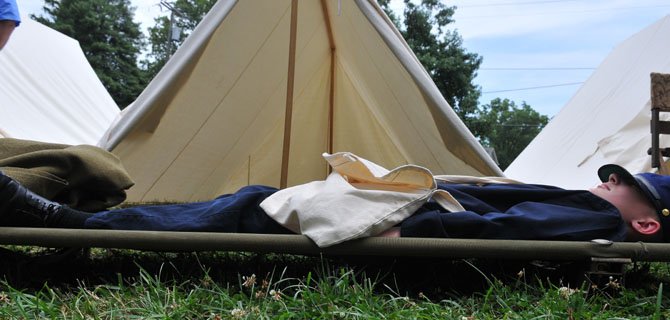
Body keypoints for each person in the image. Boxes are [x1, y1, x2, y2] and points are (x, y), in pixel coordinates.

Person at [0, 163, 669, 243]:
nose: (608, 183)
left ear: (644, 218)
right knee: (248, 203)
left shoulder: (585, 218)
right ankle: (80, 225)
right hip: (399, 203)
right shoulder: (585, 207)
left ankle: (67, 227)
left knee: (245, 210)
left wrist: (404, 237)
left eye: (624, 185)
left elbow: (507, 231)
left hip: (399, 221)